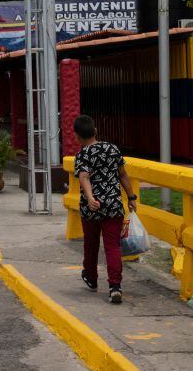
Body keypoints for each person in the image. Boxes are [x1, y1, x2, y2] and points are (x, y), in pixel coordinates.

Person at [73, 114, 136, 304]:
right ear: (95, 131)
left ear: (77, 137)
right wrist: (131, 197)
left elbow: (84, 177)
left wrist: (91, 198)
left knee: (91, 245)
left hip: (92, 208)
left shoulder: (83, 154)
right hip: (113, 205)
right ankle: (115, 286)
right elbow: (123, 175)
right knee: (112, 246)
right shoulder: (113, 149)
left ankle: (91, 278)